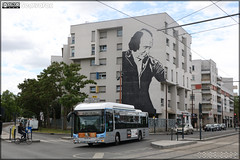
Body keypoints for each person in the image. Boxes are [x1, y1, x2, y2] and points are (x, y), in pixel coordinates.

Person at [122, 28, 166, 115]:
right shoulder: (123, 59)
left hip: (146, 110)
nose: (148, 52)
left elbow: (163, 78)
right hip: (127, 110)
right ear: (135, 44)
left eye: (149, 48)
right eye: (145, 47)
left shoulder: (151, 63)